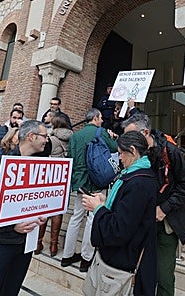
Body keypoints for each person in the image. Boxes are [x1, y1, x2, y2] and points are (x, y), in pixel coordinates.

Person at [0, 120, 49, 296]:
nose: (47, 140)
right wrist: (11, 225)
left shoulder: (38, 169)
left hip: (24, 246)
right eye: (44, 136)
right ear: (31, 136)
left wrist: (41, 214)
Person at [121, 112, 185, 296]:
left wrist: (164, 208)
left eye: (133, 136)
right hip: (141, 222)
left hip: (165, 224)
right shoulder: (135, 154)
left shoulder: (169, 151)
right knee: (143, 273)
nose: (129, 141)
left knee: (163, 276)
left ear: (145, 132)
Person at [81, 131, 157, 295]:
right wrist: (105, 201)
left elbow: (119, 229)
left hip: (122, 261)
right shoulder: (134, 175)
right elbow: (126, 210)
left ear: (133, 150)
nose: (119, 158)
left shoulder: (139, 182)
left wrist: (98, 208)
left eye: (122, 153)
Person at [61, 108, 117, 272]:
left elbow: (69, 157)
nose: (101, 120)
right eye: (100, 118)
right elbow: (114, 149)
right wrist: (111, 136)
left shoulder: (75, 135)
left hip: (79, 181)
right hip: (96, 180)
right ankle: (86, 258)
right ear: (96, 118)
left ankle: (67, 255)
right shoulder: (101, 132)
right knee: (92, 217)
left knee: (76, 217)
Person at [35, 114, 72, 256]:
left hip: (50, 177)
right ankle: (53, 245)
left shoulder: (51, 139)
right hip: (64, 177)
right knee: (58, 211)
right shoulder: (72, 138)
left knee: (44, 210)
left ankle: (38, 243)